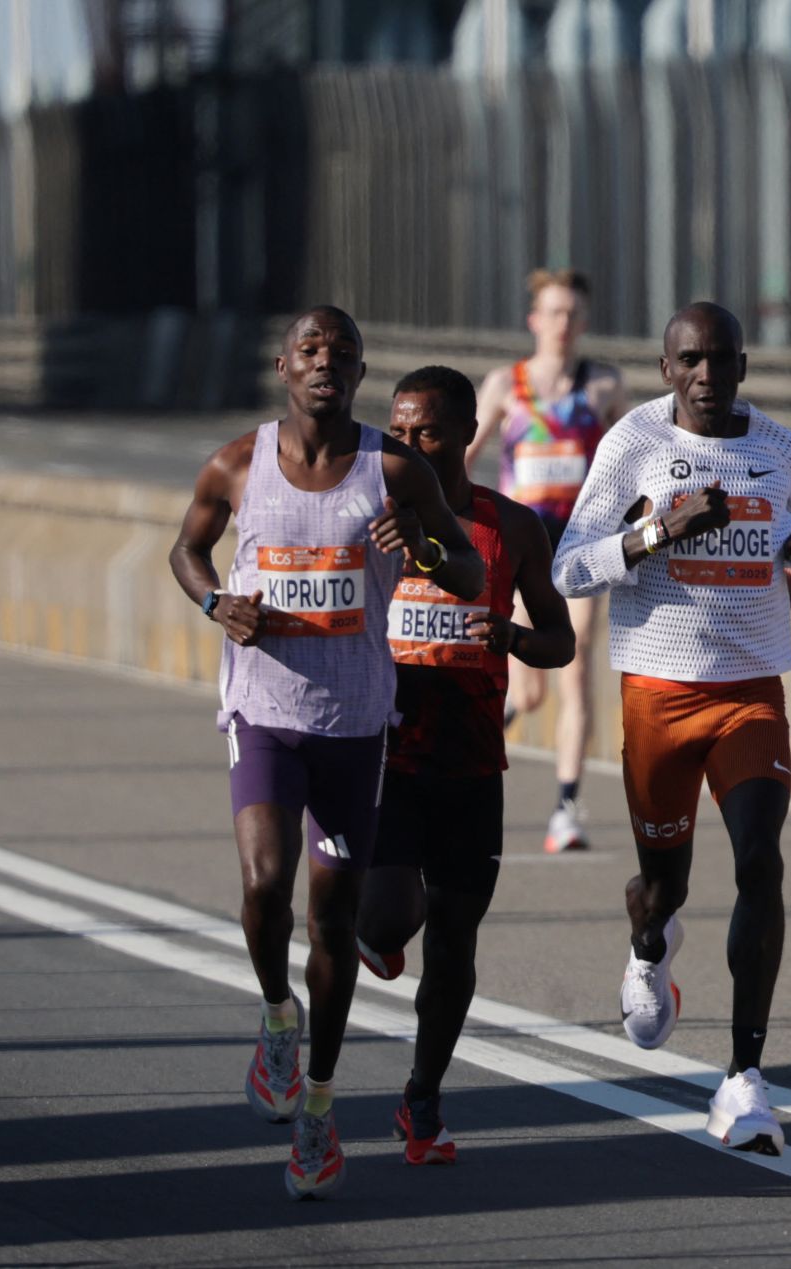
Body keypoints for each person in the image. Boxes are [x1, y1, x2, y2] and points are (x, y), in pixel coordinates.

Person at [167, 306, 485, 1199]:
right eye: (310, 351)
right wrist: (215, 603)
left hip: (352, 724)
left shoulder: (394, 468)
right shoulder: (239, 463)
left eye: (342, 355)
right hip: (263, 711)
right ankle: (277, 1015)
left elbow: (468, 573)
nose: (325, 365)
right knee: (266, 883)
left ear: (358, 372)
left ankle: (318, 1105)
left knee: (335, 922)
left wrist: (421, 544)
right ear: (284, 366)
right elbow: (187, 549)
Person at [553, 302, 791, 1156]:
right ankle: (650, 939)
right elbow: (569, 564)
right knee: (663, 884)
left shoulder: (782, 448)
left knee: (760, 861)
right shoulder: (633, 443)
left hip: (749, 691)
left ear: (744, 366)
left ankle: (745, 1078)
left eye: (722, 360)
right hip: (659, 693)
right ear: (667, 369)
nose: (707, 375)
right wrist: (654, 532)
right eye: (690, 360)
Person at [354, 366, 575, 1163]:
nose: (410, 445)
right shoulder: (370, 518)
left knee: (454, 940)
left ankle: (422, 1097)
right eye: (400, 432)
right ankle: (372, 923)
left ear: (468, 435)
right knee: (386, 918)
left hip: (473, 763)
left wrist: (511, 638)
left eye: (429, 432)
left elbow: (561, 638)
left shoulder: (510, 527)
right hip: (389, 756)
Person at [467, 269, 627, 854]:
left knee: (577, 664)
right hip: (520, 549)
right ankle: (477, 745)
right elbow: (464, 458)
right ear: (535, 320)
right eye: (553, 313)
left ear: (583, 323)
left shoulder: (603, 387)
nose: (563, 324)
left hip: (580, 547)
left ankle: (566, 808)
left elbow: (633, 458)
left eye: (573, 314)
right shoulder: (504, 386)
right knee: (529, 693)